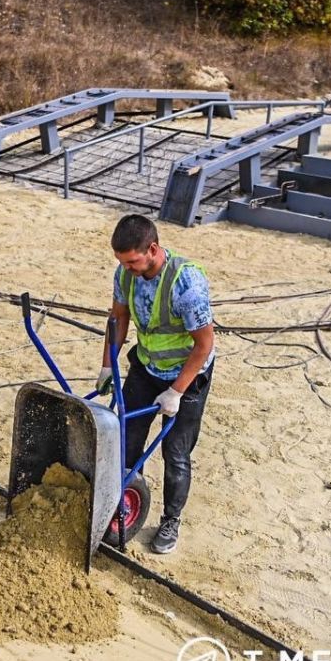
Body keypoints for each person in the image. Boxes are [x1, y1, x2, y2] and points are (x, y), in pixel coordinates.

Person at [98, 214, 214, 554]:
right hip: (147, 366)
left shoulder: (186, 283)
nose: (127, 269)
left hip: (187, 375)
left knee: (175, 452)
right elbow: (119, 317)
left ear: (152, 249)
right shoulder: (125, 274)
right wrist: (107, 365)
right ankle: (121, 503)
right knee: (126, 437)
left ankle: (170, 520)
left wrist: (176, 392)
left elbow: (204, 344)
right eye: (122, 262)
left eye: (132, 262)